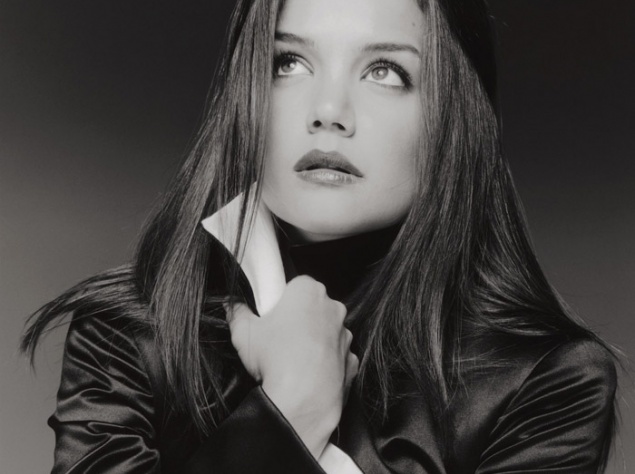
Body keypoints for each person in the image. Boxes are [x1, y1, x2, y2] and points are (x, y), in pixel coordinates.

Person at [22, 0, 618, 473]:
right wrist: (288, 412)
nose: (328, 109)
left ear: (454, 118)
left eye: (385, 71)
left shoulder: (544, 382)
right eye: (289, 63)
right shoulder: (129, 338)